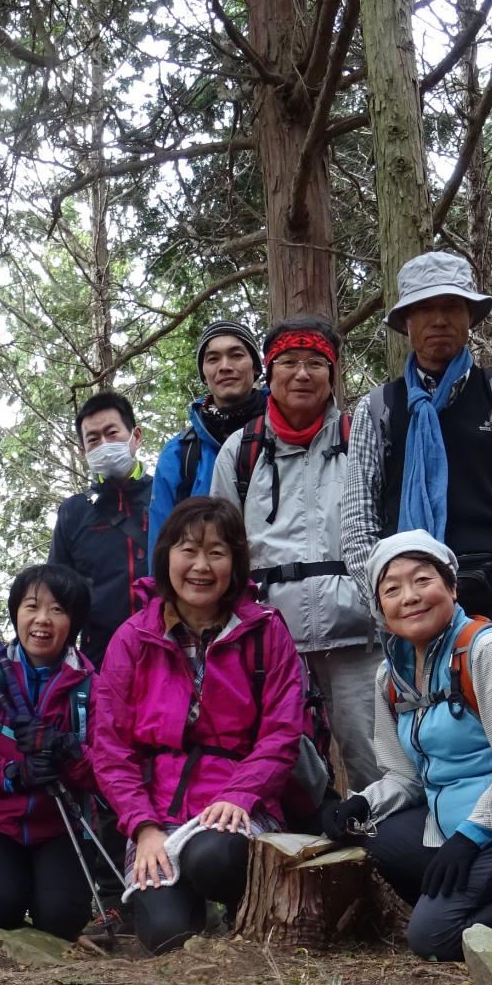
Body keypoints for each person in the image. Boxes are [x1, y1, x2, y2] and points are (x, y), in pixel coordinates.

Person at [92, 496, 305, 954]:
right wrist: (143, 827)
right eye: (188, 550)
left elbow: (282, 733)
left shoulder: (265, 631)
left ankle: (240, 908)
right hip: (157, 812)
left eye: (217, 552)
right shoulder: (133, 638)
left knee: (215, 856)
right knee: (165, 933)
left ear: (236, 561)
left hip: (238, 801)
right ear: (167, 554)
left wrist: (239, 795)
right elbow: (109, 747)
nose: (201, 566)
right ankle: (187, 904)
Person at [317, 530, 492, 961]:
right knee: (375, 835)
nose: (409, 597)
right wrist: (361, 804)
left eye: (423, 580)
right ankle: (472, 895)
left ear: (452, 586)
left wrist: (472, 835)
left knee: (431, 939)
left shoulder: (486, 651)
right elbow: (404, 776)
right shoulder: (389, 675)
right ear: (381, 610)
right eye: (391, 589)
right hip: (447, 823)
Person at [341, 251, 492, 628]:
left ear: (469, 318)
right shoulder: (379, 409)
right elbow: (357, 522)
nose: (439, 320)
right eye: (424, 309)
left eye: (451, 307)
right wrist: (388, 601)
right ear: (406, 323)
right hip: (416, 595)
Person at [207, 317, 380, 789]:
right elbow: (221, 547)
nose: (301, 374)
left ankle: (389, 854)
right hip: (272, 641)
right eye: (288, 362)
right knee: (286, 771)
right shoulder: (240, 452)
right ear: (270, 372)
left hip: (358, 634)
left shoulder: (363, 437)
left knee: (374, 762)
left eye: (315, 364)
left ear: (332, 373)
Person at [0, 564, 101, 940]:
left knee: (61, 922)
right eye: (32, 606)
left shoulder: (90, 687)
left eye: (57, 609)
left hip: (61, 826)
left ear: (73, 622)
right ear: (16, 614)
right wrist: (13, 774)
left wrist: (67, 753)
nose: (42, 619)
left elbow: (107, 772)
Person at [148, 320, 266, 565]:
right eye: (213, 359)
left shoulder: (282, 434)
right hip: (205, 590)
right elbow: (161, 543)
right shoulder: (180, 453)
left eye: (236, 355)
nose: (225, 367)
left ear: (256, 367)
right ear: (204, 375)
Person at [50, 391, 152, 663]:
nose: (104, 444)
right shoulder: (74, 511)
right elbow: (58, 592)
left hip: (166, 653)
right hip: (100, 661)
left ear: (136, 437)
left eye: (112, 433)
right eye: (93, 439)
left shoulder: (166, 495)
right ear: (83, 452)